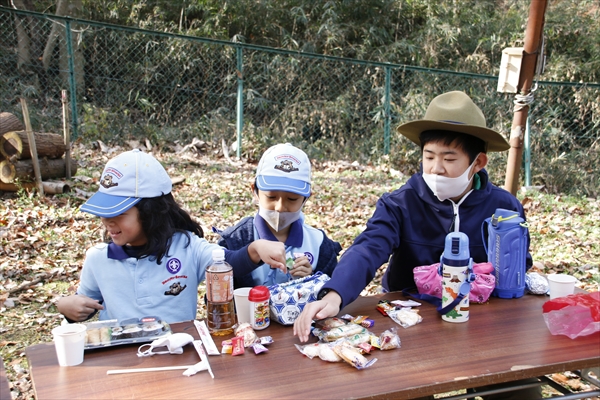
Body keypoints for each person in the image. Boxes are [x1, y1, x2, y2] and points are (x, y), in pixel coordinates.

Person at [293, 91, 538, 399]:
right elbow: (369, 246)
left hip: (483, 322)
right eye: (429, 156)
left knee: (516, 388)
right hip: (409, 321)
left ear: (478, 162)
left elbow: (520, 263)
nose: (436, 168)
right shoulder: (400, 203)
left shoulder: (504, 207)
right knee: (406, 390)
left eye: (449, 159)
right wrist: (336, 293)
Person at [56, 149, 286, 324]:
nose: (108, 221)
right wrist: (67, 308)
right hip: (121, 364)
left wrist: (255, 249)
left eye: (119, 213)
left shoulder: (187, 248)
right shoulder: (98, 259)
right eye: (104, 212)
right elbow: (85, 306)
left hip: (178, 358)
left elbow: (227, 263)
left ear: (149, 212)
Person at [213, 143, 341, 288]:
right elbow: (217, 296)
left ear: (306, 198)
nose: (280, 208)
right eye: (271, 197)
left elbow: (333, 293)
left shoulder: (318, 244)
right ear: (254, 190)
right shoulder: (237, 240)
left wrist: (312, 280)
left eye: (292, 199)